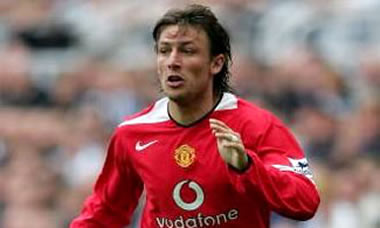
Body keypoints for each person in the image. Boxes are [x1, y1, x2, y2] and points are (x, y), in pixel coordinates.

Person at [70, 4, 320, 228]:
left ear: (216, 63)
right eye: (164, 51)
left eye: (187, 51)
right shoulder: (132, 133)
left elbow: (305, 202)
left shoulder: (256, 125)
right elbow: (104, 214)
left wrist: (247, 166)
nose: (172, 61)